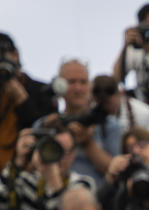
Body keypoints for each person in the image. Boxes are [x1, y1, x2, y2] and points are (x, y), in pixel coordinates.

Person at [0, 124, 93, 210]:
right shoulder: (26, 180)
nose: (59, 158)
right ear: (40, 149)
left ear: (74, 154)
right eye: (54, 149)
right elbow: (2, 203)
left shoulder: (82, 185)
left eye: (65, 152)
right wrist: (18, 160)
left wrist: (54, 181)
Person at [46, 59, 123, 187]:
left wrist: (88, 144)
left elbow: (118, 169)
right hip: (55, 196)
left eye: (83, 82)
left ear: (90, 86)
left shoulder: (109, 125)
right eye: (71, 82)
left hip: (97, 198)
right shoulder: (47, 124)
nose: (78, 88)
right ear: (59, 85)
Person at [0, 32, 56, 169]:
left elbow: (46, 132)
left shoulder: (42, 91)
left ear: (15, 55)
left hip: (27, 171)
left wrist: (21, 98)